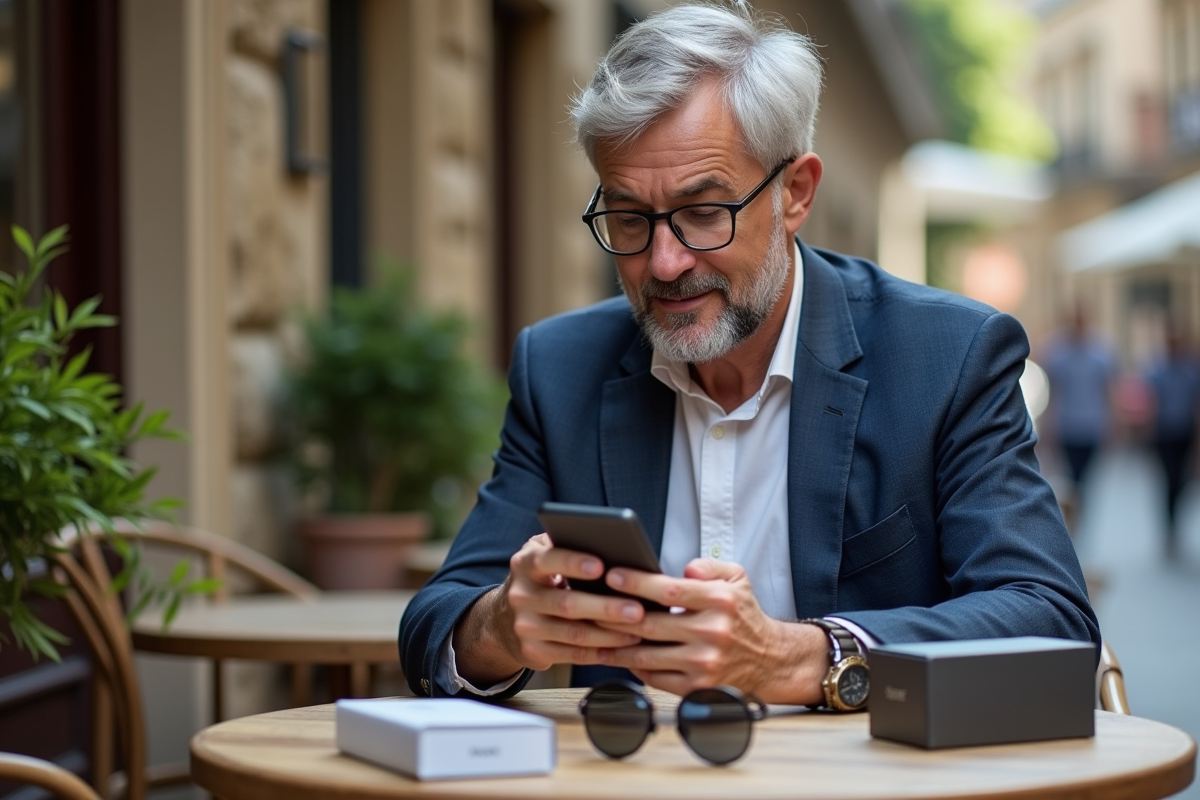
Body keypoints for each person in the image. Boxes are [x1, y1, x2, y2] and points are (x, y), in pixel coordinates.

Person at [399, 1, 1099, 707]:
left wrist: (801, 658)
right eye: (628, 217)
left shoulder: (946, 357)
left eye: (704, 212)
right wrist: (502, 627)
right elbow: (435, 625)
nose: (664, 262)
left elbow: (1052, 625)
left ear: (795, 194)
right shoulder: (560, 367)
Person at [1041, 308, 1117, 503]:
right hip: (1068, 425)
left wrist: (1111, 423)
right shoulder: (1058, 355)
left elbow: (1106, 391)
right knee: (1071, 479)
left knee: (1085, 480)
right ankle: (1073, 516)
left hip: (1092, 424)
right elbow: (1054, 393)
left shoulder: (1101, 354)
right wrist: (1049, 425)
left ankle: (1079, 515)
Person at [1146, 328, 1200, 557]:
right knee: (1168, 479)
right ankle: (1169, 528)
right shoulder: (1158, 371)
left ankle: (1175, 522)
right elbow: (1151, 403)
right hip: (1164, 434)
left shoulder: (1191, 372)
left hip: (1184, 433)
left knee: (1182, 481)